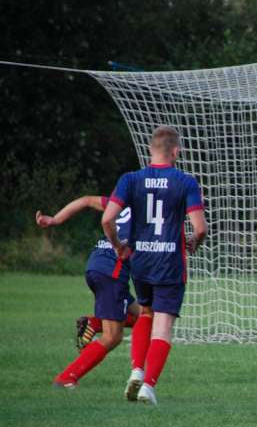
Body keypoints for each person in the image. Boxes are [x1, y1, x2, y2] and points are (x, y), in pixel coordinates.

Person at [102, 125, 207, 406]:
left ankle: (136, 369)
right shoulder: (186, 182)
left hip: (141, 261)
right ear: (176, 151)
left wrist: (118, 246)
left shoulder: (130, 179)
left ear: (151, 149)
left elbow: (106, 219)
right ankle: (148, 385)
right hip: (170, 261)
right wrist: (195, 242)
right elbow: (199, 228)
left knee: (145, 312)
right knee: (163, 326)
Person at [38, 196, 140, 388]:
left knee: (144, 316)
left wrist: (55, 219)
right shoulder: (149, 213)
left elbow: (86, 200)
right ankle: (66, 377)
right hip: (112, 272)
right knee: (113, 337)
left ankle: (93, 323)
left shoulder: (124, 201)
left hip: (96, 265)